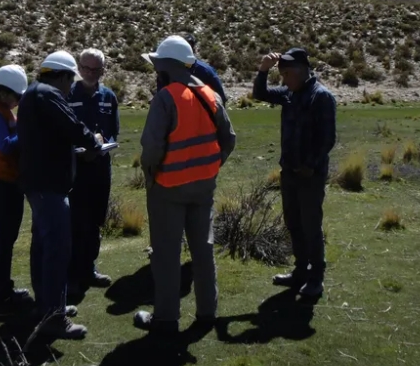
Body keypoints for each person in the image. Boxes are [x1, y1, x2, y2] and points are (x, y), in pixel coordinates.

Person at [135, 36, 237, 335]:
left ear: (166, 67)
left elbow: (151, 148)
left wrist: (151, 176)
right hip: (203, 188)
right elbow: (228, 139)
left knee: (166, 255)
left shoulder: (165, 98)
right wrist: (211, 167)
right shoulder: (210, 95)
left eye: (157, 66)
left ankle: (166, 319)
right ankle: (207, 312)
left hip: (168, 188)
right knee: (203, 251)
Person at [16, 51, 102, 340]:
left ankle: (47, 305)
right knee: (57, 250)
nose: (71, 87)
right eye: (70, 80)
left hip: (36, 184)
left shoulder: (32, 93)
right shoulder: (49, 95)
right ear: (63, 76)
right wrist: (94, 141)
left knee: (42, 247)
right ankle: (55, 317)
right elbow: (73, 126)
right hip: (49, 186)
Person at [253, 47, 336, 300]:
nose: (284, 79)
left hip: (310, 175)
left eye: (286, 74)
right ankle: (300, 271)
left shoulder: (320, 96)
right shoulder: (289, 94)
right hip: (289, 172)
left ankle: (316, 278)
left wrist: (309, 165)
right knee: (294, 223)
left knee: (311, 225)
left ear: (300, 71)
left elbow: (327, 139)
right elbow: (260, 93)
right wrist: (263, 69)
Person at [0, 64, 31, 312]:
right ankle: (1, 293)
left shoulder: (0, 109)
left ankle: (2, 288)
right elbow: (5, 145)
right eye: (17, 96)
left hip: (6, 181)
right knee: (4, 238)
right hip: (3, 183)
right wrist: (27, 130)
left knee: (5, 237)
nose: (18, 101)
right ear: (3, 93)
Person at [68, 48, 119, 290]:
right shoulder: (67, 94)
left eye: (96, 69)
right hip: (75, 169)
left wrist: (102, 144)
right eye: (86, 68)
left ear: (103, 70)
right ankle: (72, 270)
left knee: (96, 219)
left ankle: (89, 268)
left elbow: (113, 131)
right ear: (78, 68)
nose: (90, 73)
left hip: (100, 167)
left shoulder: (108, 96)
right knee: (76, 220)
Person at [184, 34, 227, 105]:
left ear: (194, 49)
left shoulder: (206, 71)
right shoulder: (172, 71)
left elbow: (221, 99)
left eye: (189, 47)